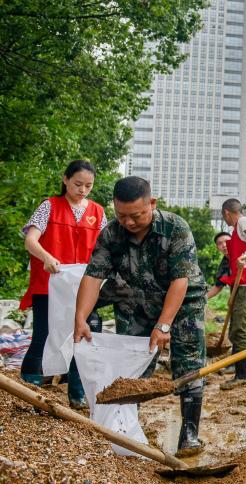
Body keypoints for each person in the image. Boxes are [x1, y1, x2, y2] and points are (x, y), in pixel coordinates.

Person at [72, 176, 207, 456]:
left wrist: (164, 324)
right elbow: (93, 277)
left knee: (189, 362)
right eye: (122, 215)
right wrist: (81, 317)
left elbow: (179, 281)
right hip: (139, 301)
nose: (129, 223)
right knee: (132, 363)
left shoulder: (175, 228)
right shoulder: (111, 234)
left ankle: (189, 434)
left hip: (183, 302)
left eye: (136, 215)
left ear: (152, 204)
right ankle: (126, 428)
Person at [19, 160, 107, 409]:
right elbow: (31, 239)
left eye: (88, 186)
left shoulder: (98, 212)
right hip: (50, 283)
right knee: (43, 335)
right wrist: (46, 257)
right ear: (65, 179)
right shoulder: (50, 206)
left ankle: (77, 394)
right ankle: (29, 389)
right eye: (78, 184)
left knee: (82, 335)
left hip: (84, 287)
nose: (82, 190)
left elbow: (105, 249)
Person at [217, 198, 246, 389]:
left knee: (241, 329)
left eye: (223, 216)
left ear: (227, 213)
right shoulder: (237, 230)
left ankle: (243, 374)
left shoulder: (242, 222)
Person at [206, 231, 232, 300]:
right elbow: (218, 286)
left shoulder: (245, 254)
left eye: (226, 241)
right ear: (217, 248)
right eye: (220, 243)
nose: (224, 245)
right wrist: (202, 299)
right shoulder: (224, 265)